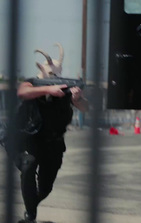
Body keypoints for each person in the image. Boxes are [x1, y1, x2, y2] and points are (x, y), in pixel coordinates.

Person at [15, 78, 88, 223]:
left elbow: (87, 107)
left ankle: (32, 204)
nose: (51, 75)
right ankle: (30, 214)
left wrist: (77, 98)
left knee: (45, 187)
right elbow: (22, 92)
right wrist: (48, 89)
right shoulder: (33, 83)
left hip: (54, 143)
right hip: (33, 139)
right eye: (48, 73)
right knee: (27, 170)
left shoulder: (67, 88)